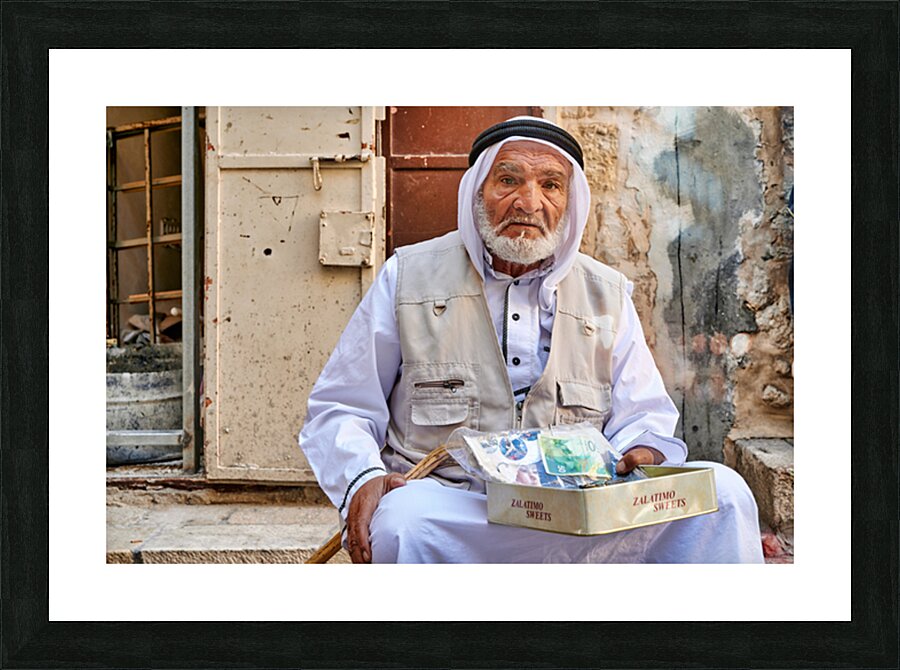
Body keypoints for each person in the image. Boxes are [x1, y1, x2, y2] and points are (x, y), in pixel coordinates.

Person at [299, 116, 764, 564]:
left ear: (570, 202)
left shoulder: (607, 294)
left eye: (550, 185)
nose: (528, 202)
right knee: (403, 521)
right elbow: (343, 406)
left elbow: (643, 415)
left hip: (577, 511)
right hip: (458, 508)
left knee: (723, 494)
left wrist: (641, 450)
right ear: (478, 193)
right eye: (509, 180)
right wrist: (362, 477)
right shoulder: (408, 277)